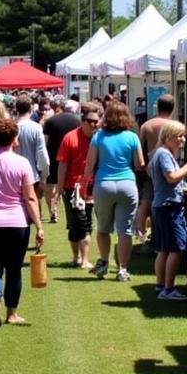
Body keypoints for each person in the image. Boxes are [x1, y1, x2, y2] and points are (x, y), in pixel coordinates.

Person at [0, 118, 44, 327]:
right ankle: (11, 313)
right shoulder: (22, 163)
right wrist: (39, 226)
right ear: (14, 138)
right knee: (14, 268)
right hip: (17, 222)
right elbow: (30, 198)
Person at [85, 99, 143, 281]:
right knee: (124, 230)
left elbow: (90, 164)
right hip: (127, 184)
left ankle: (103, 262)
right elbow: (139, 164)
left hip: (104, 184)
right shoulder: (132, 137)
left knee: (103, 227)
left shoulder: (98, 136)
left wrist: (84, 183)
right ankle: (122, 269)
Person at [149, 121, 187, 300]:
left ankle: (161, 285)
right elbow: (171, 178)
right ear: (167, 137)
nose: (182, 140)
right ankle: (168, 290)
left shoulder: (161, 153)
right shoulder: (163, 154)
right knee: (177, 248)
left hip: (162, 205)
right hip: (169, 207)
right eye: (179, 136)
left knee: (164, 249)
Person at [54, 102, 101, 269]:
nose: (96, 125)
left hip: (92, 187)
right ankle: (78, 258)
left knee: (85, 222)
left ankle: (84, 259)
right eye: (92, 121)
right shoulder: (70, 138)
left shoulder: (99, 139)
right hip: (72, 188)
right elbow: (63, 164)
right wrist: (59, 188)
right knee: (75, 225)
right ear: (83, 121)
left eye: (98, 121)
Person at [136, 94, 176, 244]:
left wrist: (142, 168)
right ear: (173, 107)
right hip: (169, 169)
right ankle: (158, 237)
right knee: (162, 203)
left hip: (150, 168)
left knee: (145, 202)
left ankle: (141, 237)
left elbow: (141, 148)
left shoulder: (147, 125)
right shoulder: (174, 126)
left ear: (157, 107)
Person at [42, 95, 80, 224]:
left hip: (53, 156)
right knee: (71, 184)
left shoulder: (50, 121)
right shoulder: (76, 121)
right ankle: (74, 207)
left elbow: (45, 142)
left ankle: (53, 210)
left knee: (50, 185)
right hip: (72, 156)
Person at [13, 95, 50, 194]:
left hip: (13, 175)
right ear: (31, 108)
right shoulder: (36, 128)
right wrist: (44, 177)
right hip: (32, 175)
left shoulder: (11, 127)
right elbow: (42, 154)